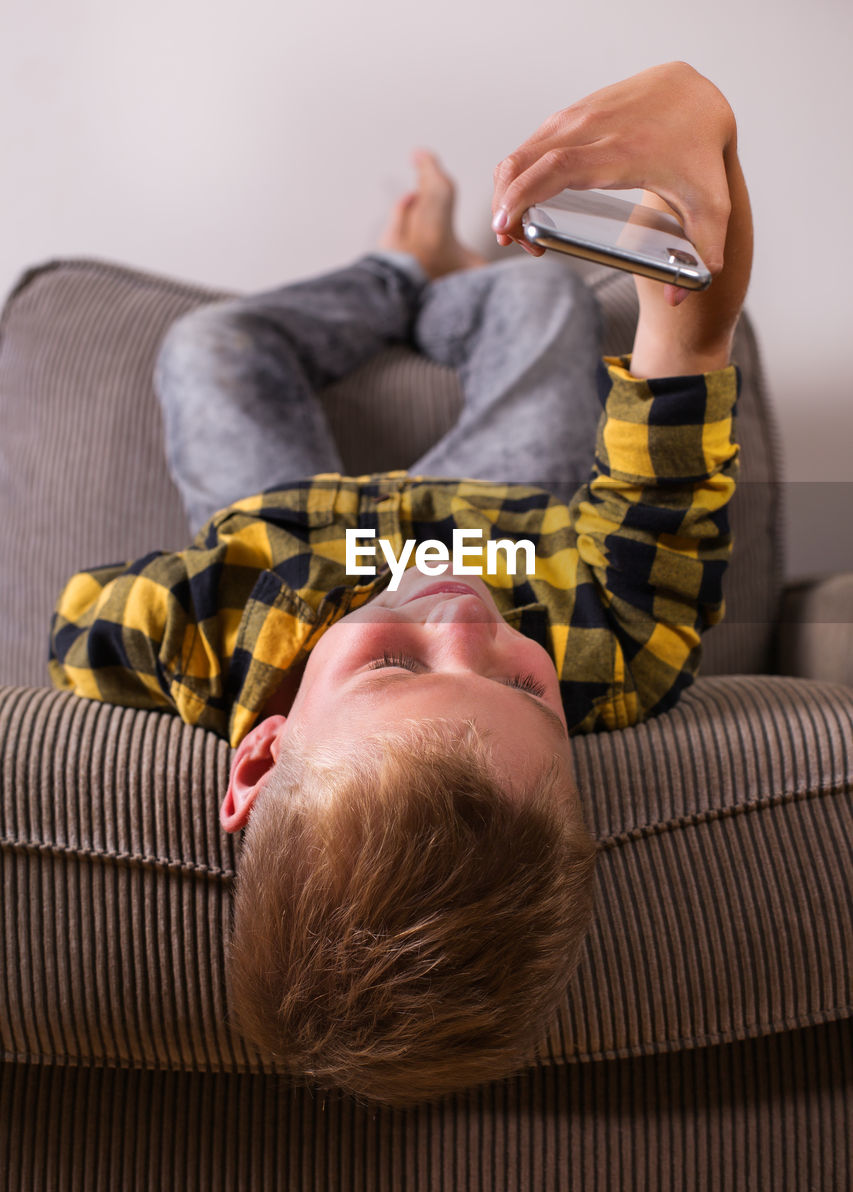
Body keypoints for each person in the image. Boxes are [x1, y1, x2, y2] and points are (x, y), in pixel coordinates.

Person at [48, 61, 751, 1107]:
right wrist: (696, 251)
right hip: (498, 503)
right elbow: (671, 477)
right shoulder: (612, 651)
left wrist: (251, 597)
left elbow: (78, 622)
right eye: (521, 687)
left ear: (260, 756)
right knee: (548, 291)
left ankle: (393, 266)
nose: (459, 616)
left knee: (210, 343)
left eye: (392, 664)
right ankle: (456, 276)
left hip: (287, 510)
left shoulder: (197, 635)